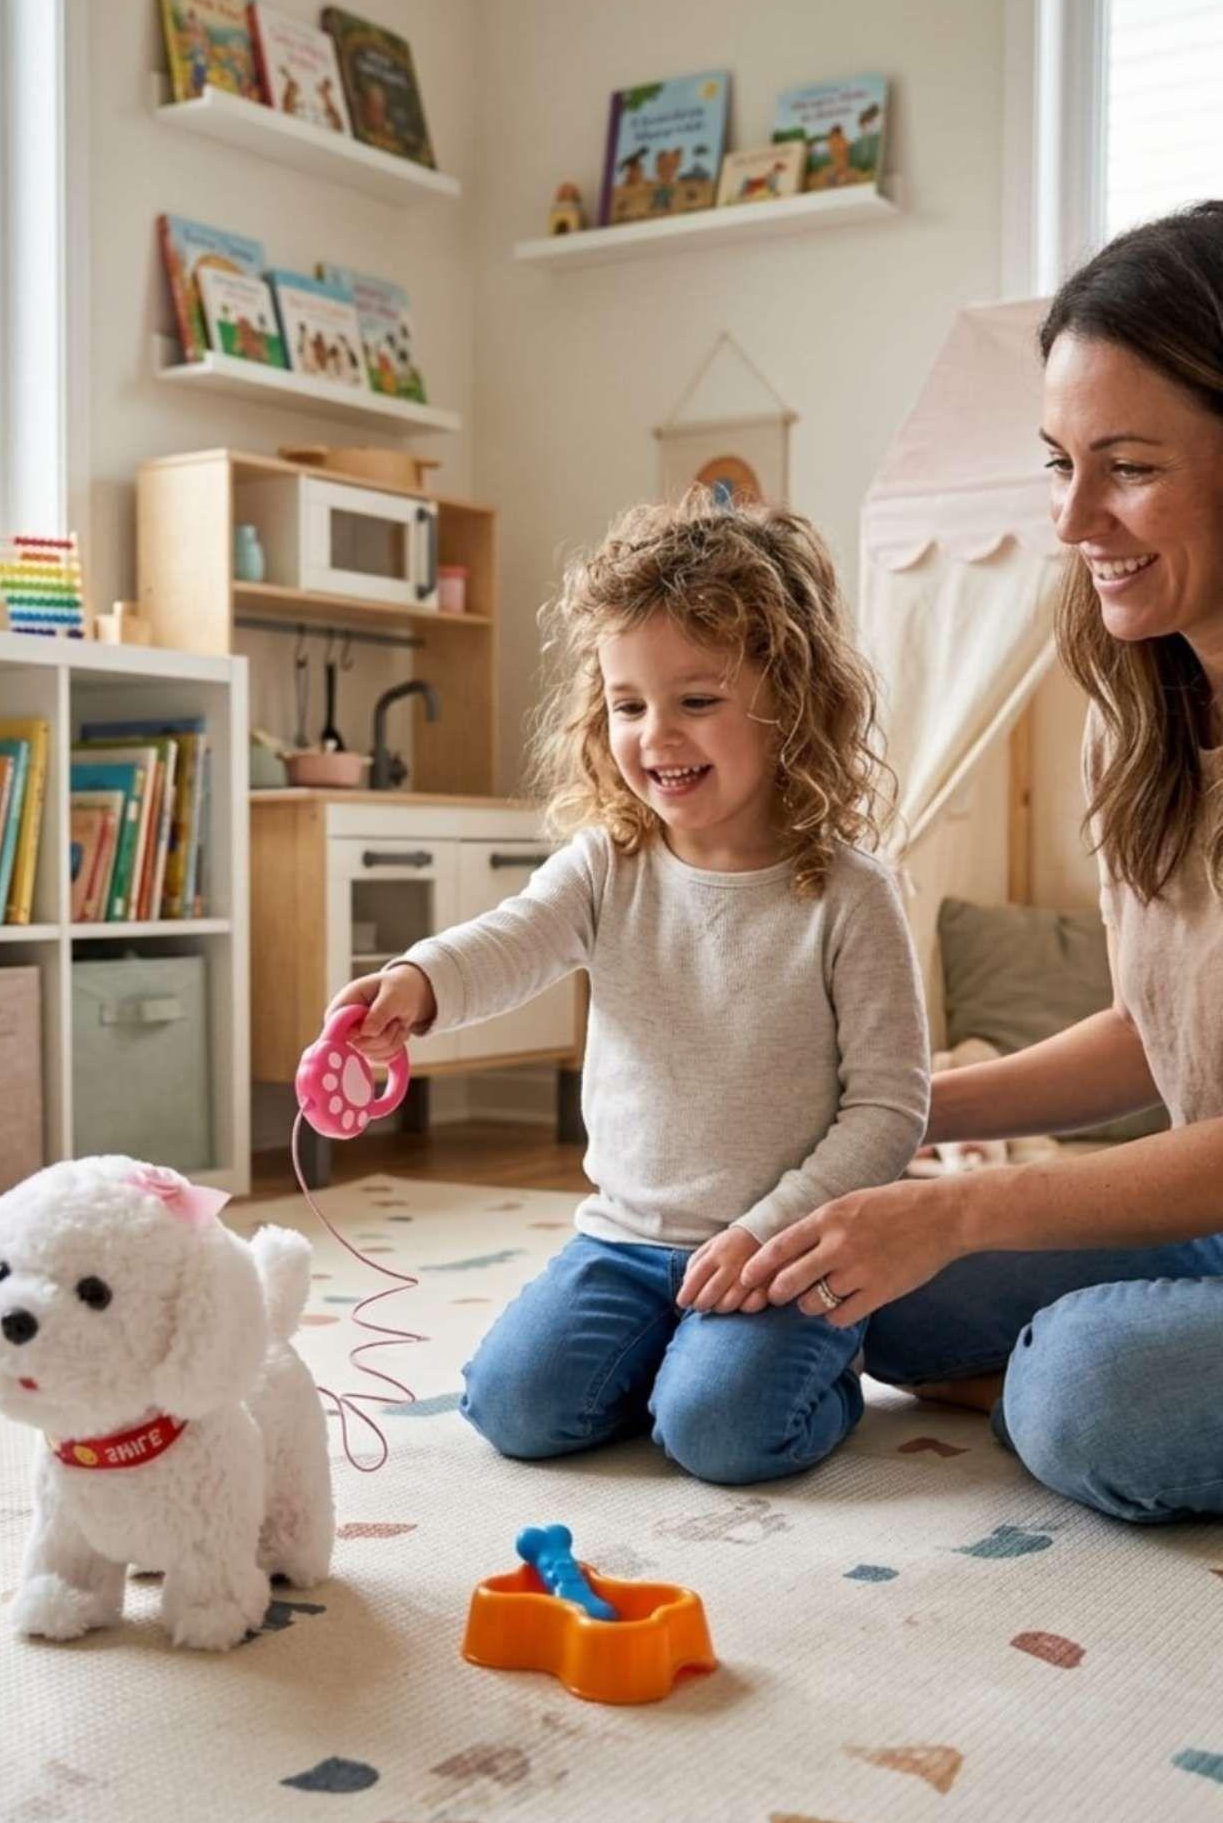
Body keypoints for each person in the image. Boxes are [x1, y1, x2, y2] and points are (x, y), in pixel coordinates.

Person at [742, 201, 1223, 1525]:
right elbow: (1152, 1034)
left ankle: (1045, 1388)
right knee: (866, 1289)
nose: (1072, 518)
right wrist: (891, 1117)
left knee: (1086, 1389)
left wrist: (968, 1211)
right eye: (1058, 462)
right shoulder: (1144, 716)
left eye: (1127, 467)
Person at [324, 489, 930, 1484]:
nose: (656, 735)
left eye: (697, 701)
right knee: (512, 1407)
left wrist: (766, 1229)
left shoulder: (851, 894)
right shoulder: (608, 864)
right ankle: (677, 1361)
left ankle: (825, 1368)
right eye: (628, 704)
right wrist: (416, 981)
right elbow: (512, 940)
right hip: (623, 1243)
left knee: (720, 1433)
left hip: (779, 1250)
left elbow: (890, 1109)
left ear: (790, 699)